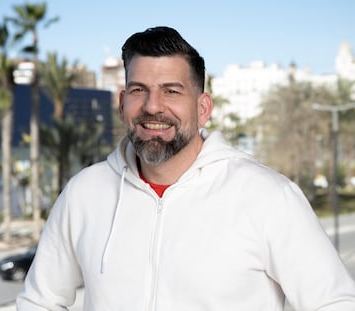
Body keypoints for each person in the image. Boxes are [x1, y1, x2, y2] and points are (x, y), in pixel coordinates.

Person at [17, 26, 355, 310]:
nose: (153, 106)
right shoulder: (83, 194)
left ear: (203, 107)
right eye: (139, 90)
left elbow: (335, 303)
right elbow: (39, 302)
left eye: (171, 91)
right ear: (121, 105)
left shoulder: (268, 197)